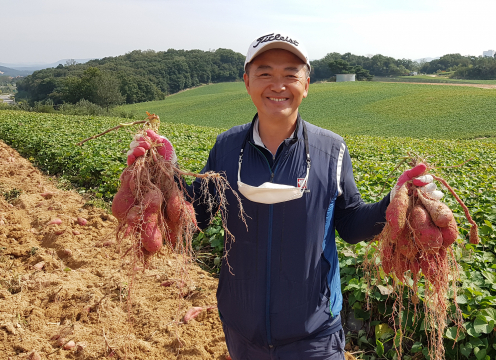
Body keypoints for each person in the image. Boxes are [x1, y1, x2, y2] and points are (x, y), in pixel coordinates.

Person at [129, 32, 429, 359]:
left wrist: (394, 201)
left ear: (307, 84)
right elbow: (196, 215)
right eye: (265, 73)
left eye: (290, 74)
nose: (278, 85)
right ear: (247, 82)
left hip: (315, 334)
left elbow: (351, 224)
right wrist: (163, 170)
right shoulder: (226, 147)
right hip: (242, 330)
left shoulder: (331, 150)